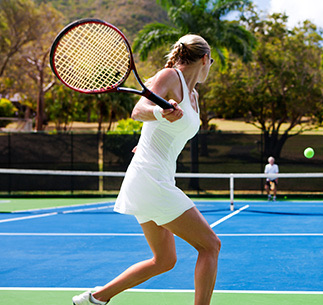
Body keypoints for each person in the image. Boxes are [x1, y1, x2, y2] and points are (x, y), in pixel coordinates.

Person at [72, 34, 220, 305]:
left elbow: (163, 133)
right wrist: (159, 113)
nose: (210, 67)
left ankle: (94, 299)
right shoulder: (169, 76)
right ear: (204, 59)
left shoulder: (194, 96)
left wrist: (152, 132)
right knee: (210, 246)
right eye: (211, 62)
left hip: (153, 176)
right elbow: (139, 110)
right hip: (150, 177)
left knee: (164, 260)